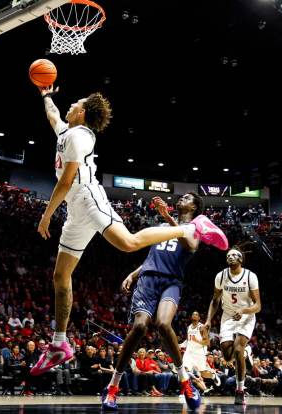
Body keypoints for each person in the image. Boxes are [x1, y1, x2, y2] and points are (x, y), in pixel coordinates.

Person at [33, 85, 229, 374]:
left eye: (75, 102)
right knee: (61, 276)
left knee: (129, 243)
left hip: (88, 198)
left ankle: (187, 229)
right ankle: (60, 343)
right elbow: (51, 116)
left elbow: (66, 181)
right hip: (75, 209)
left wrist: (46, 216)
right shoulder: (65, 130)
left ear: (82, 112)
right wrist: (46, 94)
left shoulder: (80, 136)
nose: (70, 104)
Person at [101, 194, 219, 410]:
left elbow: (190, 245)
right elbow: (151, 256)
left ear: (193, 206)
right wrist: (133, 273)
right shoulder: (163, 225)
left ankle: (185, 381)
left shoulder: (194, 229)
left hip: (172, 281)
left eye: (186, 198)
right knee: (139, 327)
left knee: (164, 324)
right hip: (148, 279)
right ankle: (112, 388)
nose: (180, 199)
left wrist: (168, 217)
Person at [204, 245, 261, 405]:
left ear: (240, 259)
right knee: (228, 357)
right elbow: (215, 300)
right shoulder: (220, 276)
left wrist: (244, 310)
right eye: (228, 255)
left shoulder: (250, 276)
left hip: (246, 315)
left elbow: (258, 306)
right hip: (228, 315)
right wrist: (208, 320)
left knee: (237, 349)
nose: (230, 256)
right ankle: (246, 353)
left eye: (234, 255)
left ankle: (240, 390)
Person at [182, 312, 211, 380]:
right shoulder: (188, 327)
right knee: (184, 369)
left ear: (199, 318)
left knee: (203, 374)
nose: (194, 315)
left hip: (199, 353)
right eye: (193, 314)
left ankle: (213, 376)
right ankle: (187, 389)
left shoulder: (202, 327)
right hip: (189, 352)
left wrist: (197, 341)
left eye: (196, 314)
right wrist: (180, 345)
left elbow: (207, 342)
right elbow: (188, 340)